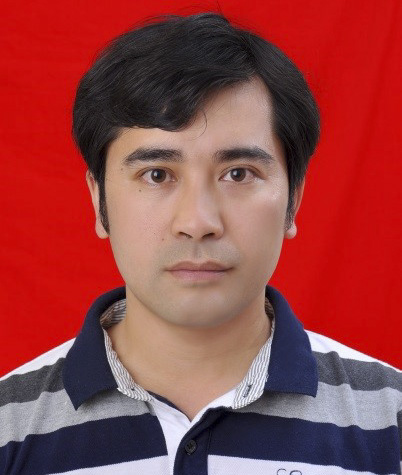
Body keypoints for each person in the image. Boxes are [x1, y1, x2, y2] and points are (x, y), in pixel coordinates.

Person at [1, 11, 401, 475]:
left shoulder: (389, 419)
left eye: (238, 174)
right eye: (157, 174)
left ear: (293, 199)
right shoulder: (10, 427)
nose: (198, 222)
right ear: (98, 199)